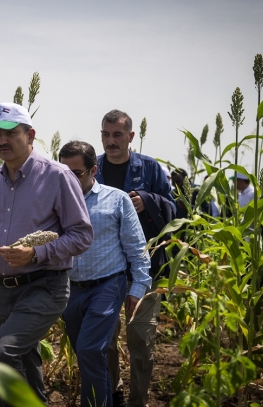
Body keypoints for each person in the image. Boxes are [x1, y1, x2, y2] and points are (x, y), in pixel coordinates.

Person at [0, 102, 93, 406]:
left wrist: (36, 254)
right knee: (26, 363)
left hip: (45, 286)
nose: (2, 141)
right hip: (3, 292)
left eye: (10, 133)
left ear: (30, 134)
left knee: (0, 353)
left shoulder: (58, 176)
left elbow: (82, 235)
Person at [59, 141, 151, 407]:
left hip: (108, 285)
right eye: (63, 172)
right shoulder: (55, 202)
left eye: (75, 172)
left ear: (93, 170)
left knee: (90, 350)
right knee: (87, 355)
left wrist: (138, 288)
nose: (69, 179)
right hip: (71, 289)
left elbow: (137, 248)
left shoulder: (117, 199)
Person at [95, 109, 175, 407]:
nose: (110, 141)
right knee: (105, 338)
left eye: (117, 135)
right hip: (103, 268)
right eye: (105, 134)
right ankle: (113, 392)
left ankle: (138, 400)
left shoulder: (150, 168)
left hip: (144, 267)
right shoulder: (95, 168)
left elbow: (175, 208)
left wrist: (148, 199)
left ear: (130, 136)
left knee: (141, 339)